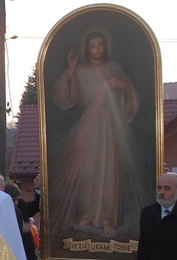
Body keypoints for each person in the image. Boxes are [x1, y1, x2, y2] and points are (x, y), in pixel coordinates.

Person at [50, 30, 146, 237]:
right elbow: (65, 97)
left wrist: (123, 86)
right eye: (93, 46)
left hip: (111, 125)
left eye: (100, 45)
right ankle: (88, 213)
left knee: (110, 170)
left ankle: (108, 218)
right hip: (89, 124)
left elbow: (131, 94)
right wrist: (72, 69)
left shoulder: (114, 68)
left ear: (105, 46)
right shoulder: (81, 71)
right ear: (87, 48)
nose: (97, 50)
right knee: (89, 170)